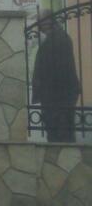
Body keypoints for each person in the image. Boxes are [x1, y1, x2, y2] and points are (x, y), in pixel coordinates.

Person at [31, 9, 80, 143]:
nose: (38, 26)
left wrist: (46, 88)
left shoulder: (58, 39)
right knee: (57, 132)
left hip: (59, 96)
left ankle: (64, 160)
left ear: (49, 21)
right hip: (56, 95)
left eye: (40, 22)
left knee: (60, 133)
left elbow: (60, 69)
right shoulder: (55, 38)